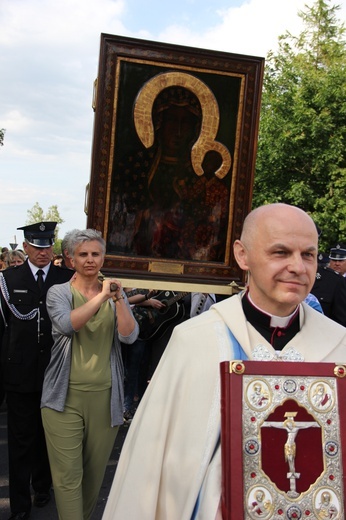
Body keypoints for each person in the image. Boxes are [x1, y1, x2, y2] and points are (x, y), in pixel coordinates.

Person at [101, 203, 346, 520]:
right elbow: (151, 466)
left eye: (308, 254)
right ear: (242, 255)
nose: (298, 267)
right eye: (281, 252)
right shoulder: (196, 340)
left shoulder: (339, 345)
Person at [40, 229, 139, 520]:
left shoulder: (114, 294)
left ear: (103, 257)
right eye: (82, 254)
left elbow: (129, 337)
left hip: (106, 399)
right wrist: (102, 296)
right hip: (62, 399)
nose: (90, 260)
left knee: (93, 479)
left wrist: (120, 299)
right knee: (68, 479)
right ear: (70, 259)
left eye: (95, 254)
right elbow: (68, 324)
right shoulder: (58, 292)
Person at [0, 222, 73, 520]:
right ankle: (19, 505)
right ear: (25, 247)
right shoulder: (8, 278)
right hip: (20, 373)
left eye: (47, 246)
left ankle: (42, 486)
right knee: (20, 441)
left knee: (48, 436)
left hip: (56, 371)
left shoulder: (66, 278)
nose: (43, 252)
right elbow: (4, 328)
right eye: (37, 246)